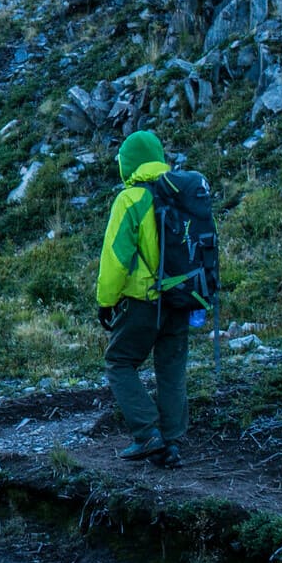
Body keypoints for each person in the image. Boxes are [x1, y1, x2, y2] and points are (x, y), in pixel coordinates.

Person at [97, 130, 190, 468]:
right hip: (182, 297)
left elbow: (116, 259)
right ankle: (171, 443)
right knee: (171, 368)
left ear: (129, 163)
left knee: (119, 361)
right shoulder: (181, 192)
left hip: (143, 301)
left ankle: (147, 433)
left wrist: (105, 301)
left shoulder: (130, 199)